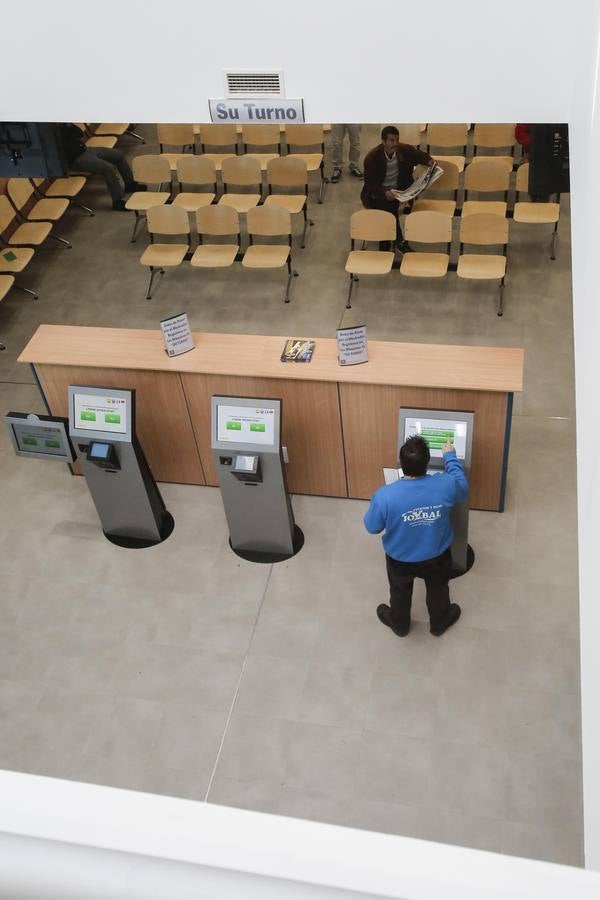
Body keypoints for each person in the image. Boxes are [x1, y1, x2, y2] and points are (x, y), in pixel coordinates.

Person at [363, 435, 468, 637]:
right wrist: (450, 457)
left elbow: (372, 527)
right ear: (427, 462)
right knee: (438, 589)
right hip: (437, 554)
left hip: (399, 557)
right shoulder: (445, 484)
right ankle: (439, 623)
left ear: (401, 464)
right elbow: (462, 488)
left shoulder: (385, 495)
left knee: (399, 592)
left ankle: (399, 625)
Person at [361, 125, 434, 252]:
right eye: (391, 141)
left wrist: (429, 161)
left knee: (391, 208)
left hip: (399, 191)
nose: (395, 144)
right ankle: (398, 242)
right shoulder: (372, 157)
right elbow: (370, 184)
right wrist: (385, 192)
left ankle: (388, 242)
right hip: (378, 194)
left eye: (396, 140)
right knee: (388, 208)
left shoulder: (403, 150)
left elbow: (418, 154)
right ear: (383, 141)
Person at [57, 124, 146, 210]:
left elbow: (79, 133)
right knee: (108, 168)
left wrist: (68, 125)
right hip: (77, 159)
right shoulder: (53, 132)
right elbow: (66, 147)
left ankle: (130, 184)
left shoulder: (65, 126)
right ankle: (117, 201)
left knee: (118, 154)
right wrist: (64, 128)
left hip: (86, 150)